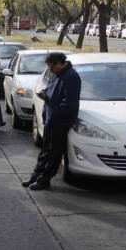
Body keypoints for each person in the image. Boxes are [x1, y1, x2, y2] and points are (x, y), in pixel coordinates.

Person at [21, 52, 81, 191]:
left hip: (60, 121)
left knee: (54, 153)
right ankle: (36, 176)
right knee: (45, 151)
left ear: (60, 63)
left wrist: (50, 102)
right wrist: (45, 93)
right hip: (51, 119)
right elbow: (51, 89)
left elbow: (69, 103)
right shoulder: (57, 74)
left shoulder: (71, 77)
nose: (50, 70)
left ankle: (44, 180)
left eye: (51, 67)